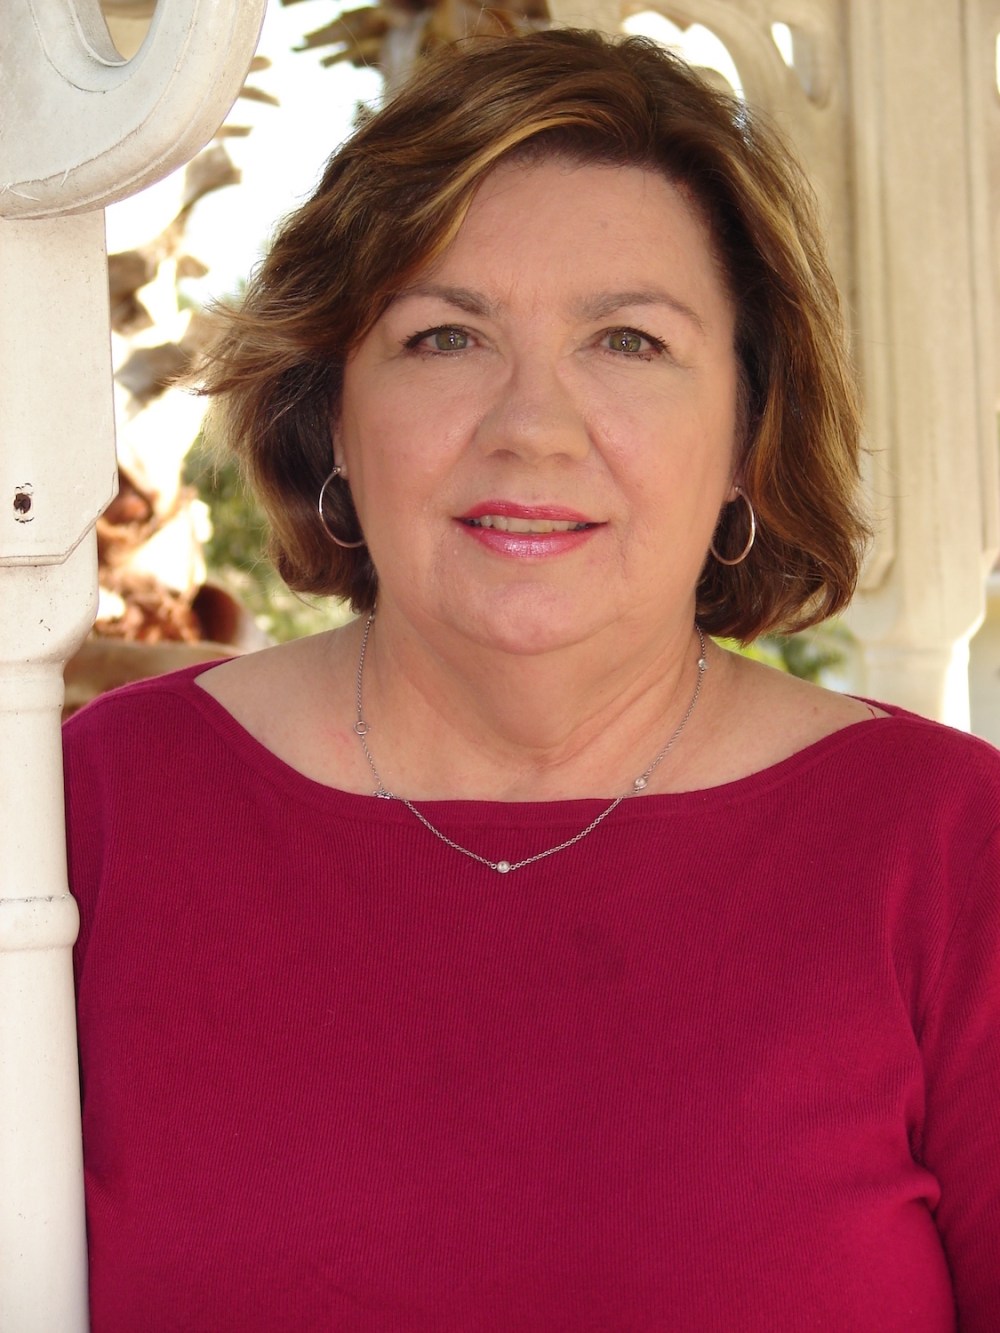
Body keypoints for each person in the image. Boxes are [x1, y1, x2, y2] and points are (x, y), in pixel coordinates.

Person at [63, 28, 1000, 1332]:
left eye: (627, 340)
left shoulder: (953, 847)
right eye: (446, 337)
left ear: (748, 429)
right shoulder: (93, 809)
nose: (531, 427)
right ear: (333, 407)